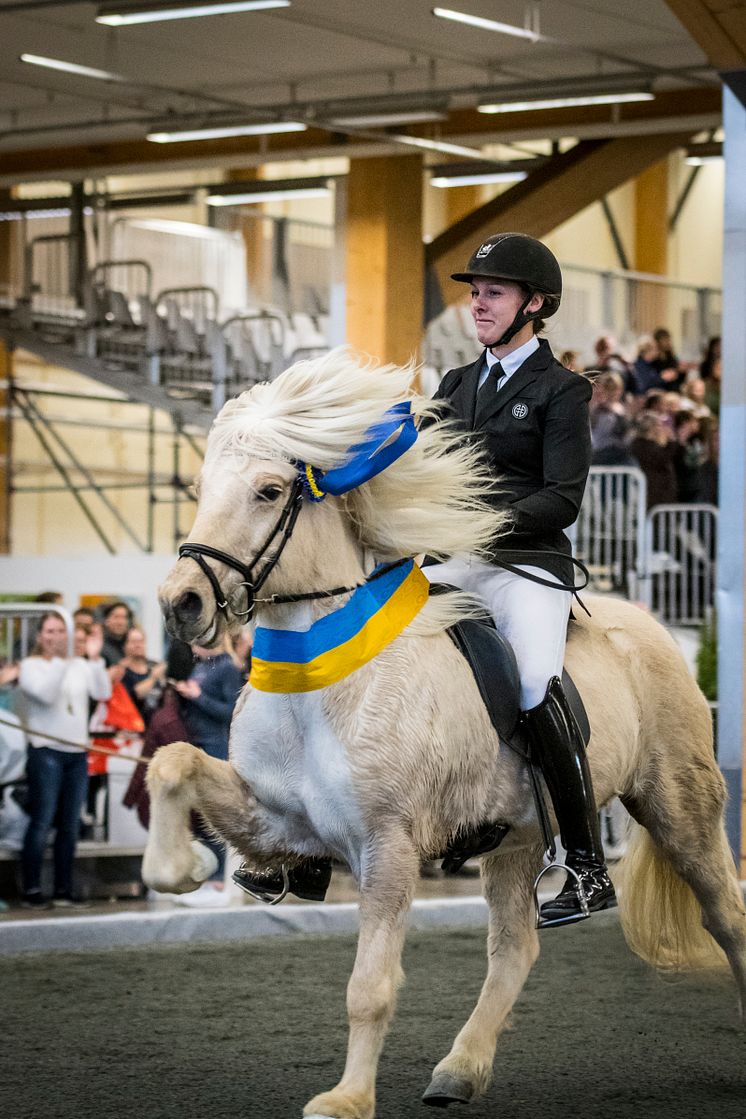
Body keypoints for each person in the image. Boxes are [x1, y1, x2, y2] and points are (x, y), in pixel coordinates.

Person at [235, 234, 616, 925]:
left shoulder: (563, 391)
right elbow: (415, 460)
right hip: (453, 560)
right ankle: (308, 851)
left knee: (533, 682)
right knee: (359, 647)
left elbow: (563, 497)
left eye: (493, 292)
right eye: (475, 291)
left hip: (526, 565)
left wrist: (474, 523)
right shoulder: (457, 385)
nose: (478, 302)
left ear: (535, 304)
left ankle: (586, 864)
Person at [18, 615, 111, 907]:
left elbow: (103, 692)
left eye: (61, 631)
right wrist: (61, 660)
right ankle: (32, 889)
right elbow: (46, 695)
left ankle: (63, 889)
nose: (56, 636)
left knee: (70, 825)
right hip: (45, 751)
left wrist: (94, 660)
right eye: (50, 631)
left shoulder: (81, 665)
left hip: (76, 753)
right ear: (40, 636)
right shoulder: (30, 666)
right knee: (42, 821)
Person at [172, 638, 244, 889]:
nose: (192, 648)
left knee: (215, 812)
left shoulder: (226, 667)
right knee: (197, 812)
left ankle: (220, 875)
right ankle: (205, 870)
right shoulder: (202, 665)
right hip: (195, 741)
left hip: (214, 744)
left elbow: (231, 711)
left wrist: (198, 696)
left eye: (197, 642)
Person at [119, 626, 166, 725]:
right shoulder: (121, 671)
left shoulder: (154, 665)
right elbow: (136, 694)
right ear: (125, 645)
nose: (138, 645)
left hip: (157, 726)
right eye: (134, 642)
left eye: (141, 641)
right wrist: (153, 678)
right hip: (133, 727)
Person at [100, 601, 133, 667]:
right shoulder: (99, 648)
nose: (120, 622)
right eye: (116, 617)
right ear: (106, 621)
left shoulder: (131, 645)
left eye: (124, 617)